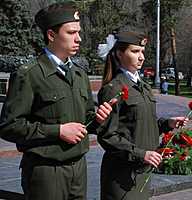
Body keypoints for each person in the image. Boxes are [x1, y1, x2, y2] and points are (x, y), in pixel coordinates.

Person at [0, 2, 113, 200]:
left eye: (78, 32)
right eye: (71, 33)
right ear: (51, 35)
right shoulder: (30, 75)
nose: (78, 38)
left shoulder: (79, 74)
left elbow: (86, 119)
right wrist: (58, 131)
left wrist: (98, 119)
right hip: (46, 172)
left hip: (78, 169)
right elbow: (9, 126)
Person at [97, 31, 188, 200]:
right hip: (122, 174)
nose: (141, 57)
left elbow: (141, 124)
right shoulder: (113, 89)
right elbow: (107, 136)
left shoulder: (144, 87)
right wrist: (142, 154)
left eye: (142, 52)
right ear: (119, 53)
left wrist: (167, 123)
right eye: (135, 51)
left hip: (142, 171)